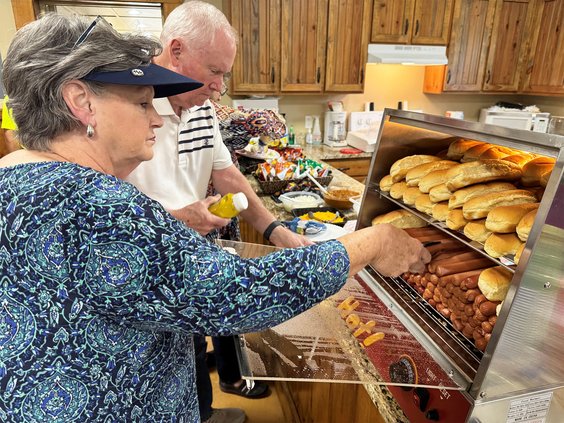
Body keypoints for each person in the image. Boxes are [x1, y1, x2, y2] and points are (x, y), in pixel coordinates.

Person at [0, 12, 430, 423]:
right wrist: (371, 243)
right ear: (80, 102)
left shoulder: (16, 176)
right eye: (140, 103)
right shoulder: (97, 203)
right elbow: (243, 296)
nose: (155, 118)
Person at [125, 3, 310, 421]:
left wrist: (275, 229)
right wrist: (178, 218)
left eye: (224, 74)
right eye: (214, 71)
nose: (219, 86)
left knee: (192, 355)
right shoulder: (129, 108)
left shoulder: (202, 108)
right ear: (175, 51)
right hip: (145, 270)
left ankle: (204, 411)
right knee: (168, 372)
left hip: (189, 255)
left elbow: (228, 175)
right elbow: (107, 213)